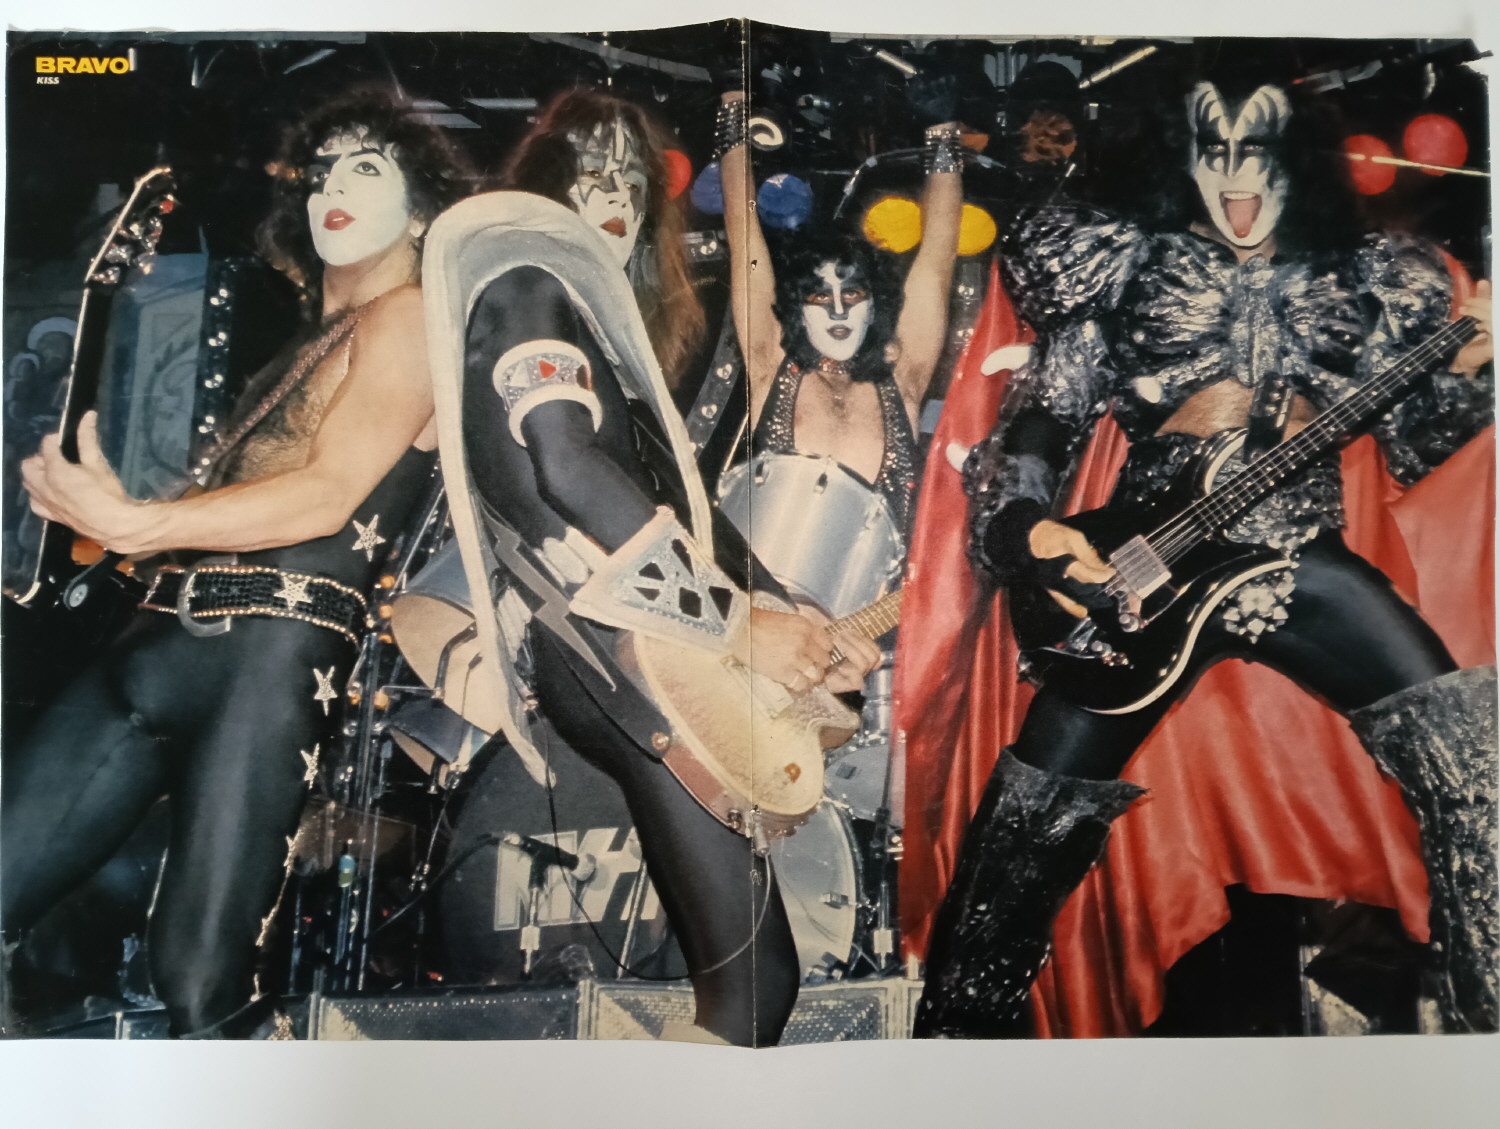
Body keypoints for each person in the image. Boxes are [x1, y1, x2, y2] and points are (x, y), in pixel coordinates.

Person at [914, 76, 1495, 1037]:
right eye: (1212, 147)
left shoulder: (1356, 279)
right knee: (1026, 821)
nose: (1234, 175)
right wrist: (1029, 531)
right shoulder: (1123, 266)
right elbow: (1043, 416)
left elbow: (1418, 443)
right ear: (1179, 159)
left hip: (1298, 557)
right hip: (1143, 572)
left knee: (1480, 761)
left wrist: (1481, 374)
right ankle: (954, 1047)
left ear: (1292, 162)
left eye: (1254, 149)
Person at [3, 90, 467, 1038]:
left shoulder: (412, 316)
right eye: (322, 173)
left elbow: (327, 494)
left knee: (200, 979)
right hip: (159, 637)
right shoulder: (308, 339)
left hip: (264, 659)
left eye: (366, 169)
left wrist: (135, 521)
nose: (333, 188)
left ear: (422, 211)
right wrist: (121, 523)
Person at [423, 88, 879, 1047]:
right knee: (753, 986)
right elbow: (567, 468)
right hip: (612, 648)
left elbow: (692, 518)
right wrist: (743, 623)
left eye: (633, 182)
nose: (616, 197)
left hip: (631, 646)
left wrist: (790, 613)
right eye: (590, 172)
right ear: (544, 179)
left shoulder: (590, 329)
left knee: (748, 980)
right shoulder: (525, 277)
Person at [718, 77, 963, 537]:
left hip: (877, 582)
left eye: (851, 294)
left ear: (873, 305)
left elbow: (937, 260)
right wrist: (733, 100)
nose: (837, 311)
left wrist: (942, 131)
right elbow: (742, 230)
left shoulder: (903, 375)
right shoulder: (771, 363)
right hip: (768, 576)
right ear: (799, 308)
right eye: (819, 295)